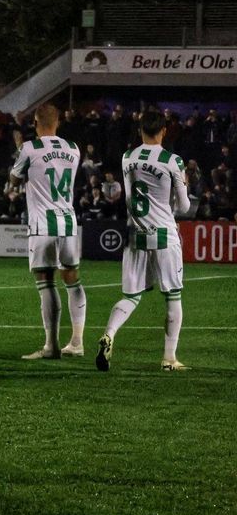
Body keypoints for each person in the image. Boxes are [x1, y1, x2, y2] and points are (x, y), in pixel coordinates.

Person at [97, 111, 190, 372]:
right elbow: (183, 206)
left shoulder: (128, 157)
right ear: (163, 131)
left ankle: (109, 334)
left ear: (140, 131)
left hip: (134, 234)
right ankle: (169, 358)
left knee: (131, 296)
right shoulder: (173, 161)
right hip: (163, 233)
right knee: (173, 296)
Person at [9, 103, 87, 359]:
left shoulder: (29, 148)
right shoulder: (73, 149)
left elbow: (14, 180)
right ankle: (77, 341)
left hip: (42, 224)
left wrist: (18, 149)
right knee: (72, 279)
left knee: (46, 282)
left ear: (35, 121)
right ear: (59, 122)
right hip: (68, 221)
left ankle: (51, 346)